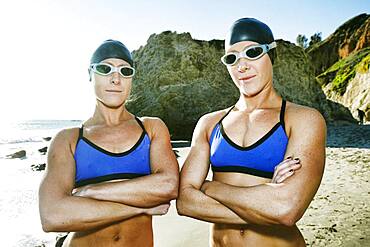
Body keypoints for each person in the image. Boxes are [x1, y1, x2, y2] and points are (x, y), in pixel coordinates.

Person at [177, 18, 326, 246]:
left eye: (253, 52)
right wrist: (266, 201)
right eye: (232, 57)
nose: (242, 66)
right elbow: (186, 202)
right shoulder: (209, 124)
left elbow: (286, 208)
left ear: (271, 55)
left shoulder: (302, 119)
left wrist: (209, 187)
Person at [39, 39, 179, 247]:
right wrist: (139, 207)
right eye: (105, 69)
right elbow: (52, 215)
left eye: (125, 71)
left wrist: (92, 191)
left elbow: (168, 185)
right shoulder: (68, 140)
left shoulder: (150, 128)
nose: (116, 78)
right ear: (90, 74)